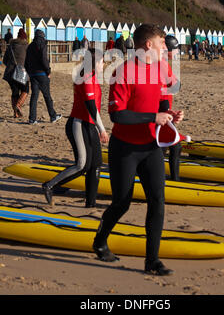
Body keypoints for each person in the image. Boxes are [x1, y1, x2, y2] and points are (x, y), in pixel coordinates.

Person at [93, 24, 184, 276]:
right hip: (125, 148)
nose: (165, 47)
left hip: (151, 147)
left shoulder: (161, 68)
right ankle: (100, 240)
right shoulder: (123, 72)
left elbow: (163, 96)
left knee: (157, 201)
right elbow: (117, 115)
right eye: (162, 43)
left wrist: (169, 114)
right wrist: (152, 117)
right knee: (122, 203)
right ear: (148, 45)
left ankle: (151, 261)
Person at [42, 48, 108, 206]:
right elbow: (91, 107)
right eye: (101, 61)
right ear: (94, 63)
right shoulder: (85, 78)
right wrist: (102, 129)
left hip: (90, 124)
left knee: (96, 164)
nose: (104, 64)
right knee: (82, 164)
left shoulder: (92, 76)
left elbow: (95, 109)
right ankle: (50, 185)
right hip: (78, 124)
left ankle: (90, 203)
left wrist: (97, 126)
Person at [25, 29, 61, 125]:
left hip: (33, 74)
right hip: (42, 74)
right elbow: (44, 59)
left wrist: (29, 72)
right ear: (42, 36)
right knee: (47, 96)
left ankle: (32, 119)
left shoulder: (30, 46)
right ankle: (53, 116)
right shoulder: (42, 45)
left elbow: (26, 62)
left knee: (34, 96)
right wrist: (48, 70)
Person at [163, 35, 182, 181]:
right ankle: (175, 181)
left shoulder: (163, 63)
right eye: (175, 49)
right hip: (161, 111)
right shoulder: (163, 64)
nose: (177, 52)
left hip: (165, 109)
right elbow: (176, 86)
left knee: (165, 147)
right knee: (175, 147)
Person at [3, 28, 29, 118]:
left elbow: (4, 60)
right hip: (22, 72)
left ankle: (16, 113)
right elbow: (29, 62)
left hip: (10, 73)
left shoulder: (10, 46)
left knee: (15, 92)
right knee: (25, 90)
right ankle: (18, 105)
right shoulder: (27, 47)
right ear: (25, 38)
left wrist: (11, 65)